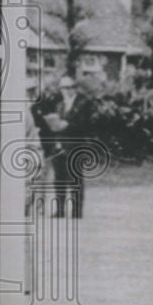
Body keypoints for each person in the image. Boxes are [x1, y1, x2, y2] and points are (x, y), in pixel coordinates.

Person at [45, 75, 92, 218]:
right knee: (58, 178)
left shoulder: (84, 103)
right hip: (59, 145)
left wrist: (69, 125)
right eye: (65, 88)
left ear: (75, 88)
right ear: (61, 89)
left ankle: (76, 211)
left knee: (75, 178)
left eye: (70, 87)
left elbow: (86, 125)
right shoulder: (60, 105)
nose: (68, 90)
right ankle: (60, 209)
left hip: (76, 145)